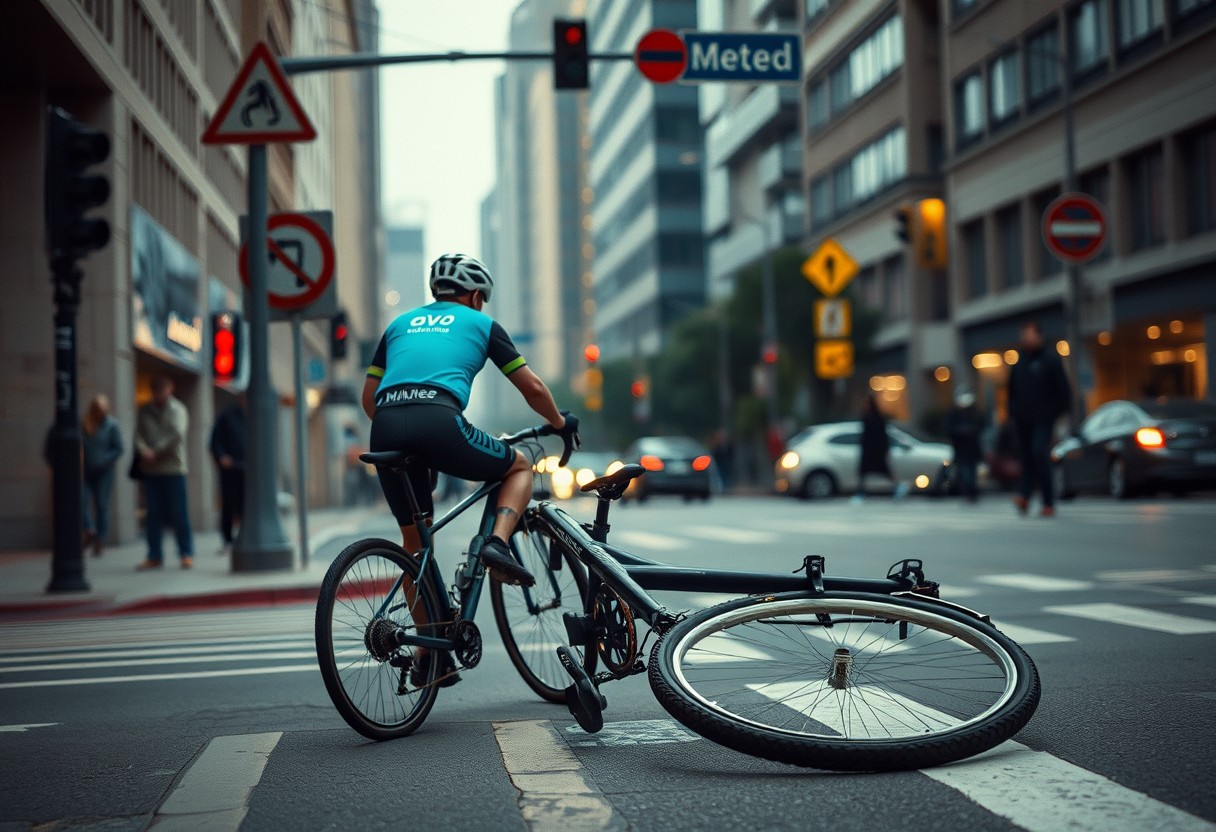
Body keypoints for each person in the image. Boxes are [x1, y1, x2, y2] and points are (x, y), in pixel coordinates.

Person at [363, 253, 578, 685]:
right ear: (477, 296)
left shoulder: (397, 325)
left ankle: (430, 652)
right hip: (439, 420)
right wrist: (559, 423)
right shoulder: (481, 324)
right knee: (518, 467)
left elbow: (370, 397)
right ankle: (496, 545)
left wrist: (409, 443)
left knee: (415, 547)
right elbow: (532, 387)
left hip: (385, 427)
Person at [1006, 320, 1072, 517]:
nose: (1025, 338)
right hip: (1022, 420)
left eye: (1028, 334)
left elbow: (1064, 391)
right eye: (1023, 335)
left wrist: (1055, 414)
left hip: (1043, 419)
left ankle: (1048, 502)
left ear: (1039, 336)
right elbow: (1012, 391)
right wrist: (1013, 412)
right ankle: (1025, 497)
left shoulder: (1050, 360)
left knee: (1039, 454)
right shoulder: (1019, 362)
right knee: (1026, 458)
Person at [134, 375, 194, 568]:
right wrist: (143, 450)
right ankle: (154, 555)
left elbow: (177, 435)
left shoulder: (178, 410)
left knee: (179, 513)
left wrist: (155, 451)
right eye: (156, 390)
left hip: (174, 468)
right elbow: (137, 435)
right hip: (151, 470)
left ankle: (186, 553)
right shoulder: (145, 411)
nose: (160, 394)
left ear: (170, 389)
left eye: (163, 389)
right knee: (153, 514)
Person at [81, 394, 124, 556]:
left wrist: (104, 459)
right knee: (80, 501)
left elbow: (119, 448)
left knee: (101, 504)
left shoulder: (112, 425)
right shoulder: (85, 423)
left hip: (105, 471)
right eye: (97, 409)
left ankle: (100, 539)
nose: (100, 412)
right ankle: (89, 529)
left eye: (102, 409)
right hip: (87, 470)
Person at [209, 397, 246, 555]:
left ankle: (243, 538)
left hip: (249, 470)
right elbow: (214, 441)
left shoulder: (255, 415)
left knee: (245, 505)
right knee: (229, 505)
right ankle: (227, 540)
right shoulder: (227, 415)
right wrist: (222, 456)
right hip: (230, 468)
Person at [853, 394, 905, 502]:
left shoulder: (877, 418)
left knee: (885, 471)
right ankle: (860, 493)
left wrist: (885, 449)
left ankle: (898, 488)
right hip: (868, 450)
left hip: (877, 450)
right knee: (863, 472)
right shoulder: (866, 417)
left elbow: (882, 435)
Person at [946, 390, 984, 503]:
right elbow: (949, 429)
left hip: (972, 449)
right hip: (961, 449)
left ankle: (971, 491)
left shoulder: (974, 413)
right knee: (965, 471)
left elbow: (981, 426)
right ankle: (969, 490)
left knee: (971, 471)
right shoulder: (955, 414)